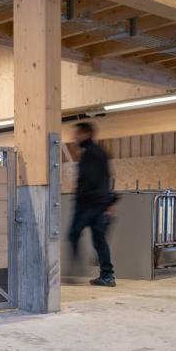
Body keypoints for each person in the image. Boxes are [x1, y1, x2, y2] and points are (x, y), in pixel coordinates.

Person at [69, 121, 118, 287]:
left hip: (88, 204)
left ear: (85, 134)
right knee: (99, 240)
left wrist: (79, 197)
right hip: (99, 204)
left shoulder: (90, 153)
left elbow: (89, 180)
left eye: (77, 135)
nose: (75, 138)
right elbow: (109, 177)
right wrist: (109, 202)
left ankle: (75, 270)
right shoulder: (99, 152)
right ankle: (107, 275)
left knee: (73, 233)